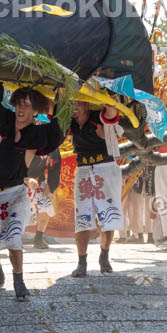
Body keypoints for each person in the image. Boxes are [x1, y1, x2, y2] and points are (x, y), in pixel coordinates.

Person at [0, 82, 63, 301]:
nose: (22, 110)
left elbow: (58, 130)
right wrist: (0, 78)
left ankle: (19, 281)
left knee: (13, 237)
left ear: (35, 110)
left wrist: (60, 102)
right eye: (19, 104)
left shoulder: (39, 132)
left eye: (28, 106)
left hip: (16, 192)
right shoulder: (6, 122)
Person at [68, 101, 122, 276]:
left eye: (78, 104)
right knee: (82, 216)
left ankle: (104, 255)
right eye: (72, 104)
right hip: (83, 170)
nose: (75, 108)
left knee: (108, 214)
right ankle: (81, 261)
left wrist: (110, 100)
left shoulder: (98, 118)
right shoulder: (70, 122)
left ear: (87, 104)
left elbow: (111, 114)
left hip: (105, 168)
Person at [25, 150, 58, 250]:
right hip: (21, 182)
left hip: (40, 181)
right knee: (17, 212)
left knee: (45, 209)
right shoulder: (22, 139)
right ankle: (14, 238)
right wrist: (25, 179)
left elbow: (55, 166)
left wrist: (51, 186)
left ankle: (39, 237)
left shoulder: (51, 143)